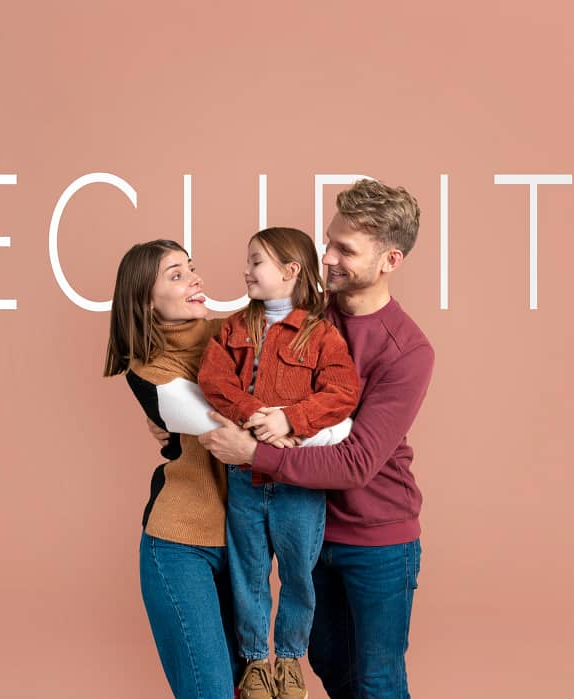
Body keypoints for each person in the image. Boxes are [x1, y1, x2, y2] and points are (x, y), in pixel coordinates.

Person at [196, 180, 435, 698]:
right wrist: (166, 401)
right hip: (310, 528)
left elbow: (356, 463)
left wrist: (253, 453)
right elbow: (229, 357)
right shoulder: (305, 314)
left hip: (377, 539)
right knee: (328, 666)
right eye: (329, 241)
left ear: (391, 260)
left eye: (345, 250)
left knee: (376, 683)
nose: (326, 257)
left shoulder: (407, 350)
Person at [197, 227, 360, 699]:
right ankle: (253, 663)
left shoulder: (320, 333)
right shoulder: (235, 327)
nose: (246, 270)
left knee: (297, 575)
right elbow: (214, 379)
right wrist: (252, 415)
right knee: (248, 573)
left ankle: (288, 661)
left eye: (256, 262)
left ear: (290, 271)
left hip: (299, 485)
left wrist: (291, 420)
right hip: (245, 478)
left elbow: (343, 393)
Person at [103, 239, 242, 699]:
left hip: (242, 544)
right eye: (176, 275)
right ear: (145, 299)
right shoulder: (146, 372)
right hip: (180, 544)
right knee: (210, 692)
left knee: (251, 689)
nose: (195, 279)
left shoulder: (235, 332)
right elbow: (230, 429)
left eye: (192, 269)